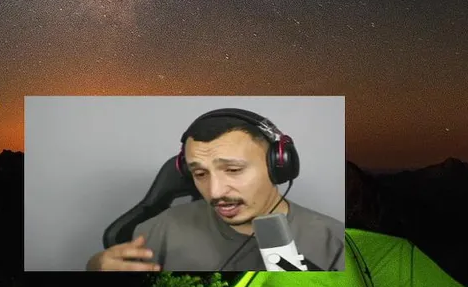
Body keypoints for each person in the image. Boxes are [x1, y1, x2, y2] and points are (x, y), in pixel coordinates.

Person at [86, 109, 345, 271]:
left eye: (233, 170)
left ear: (278, 166)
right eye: (200, 174)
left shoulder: (336, 243)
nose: (215, 191)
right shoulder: (162, 229)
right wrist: (95, 267)